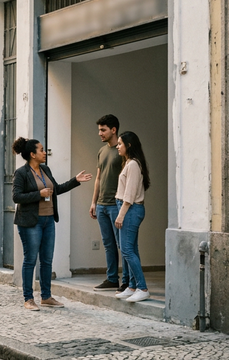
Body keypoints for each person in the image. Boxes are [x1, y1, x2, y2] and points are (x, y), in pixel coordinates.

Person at [12, 137, 92, 311]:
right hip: (30, 222)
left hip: (48, 220)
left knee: (47, 260)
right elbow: (16, 197)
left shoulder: (45, 169)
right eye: (41, 150)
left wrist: (75, 180)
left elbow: (56, 189)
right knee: (30, 260)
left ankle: (46, 297)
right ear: (32, 154)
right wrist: (38, 194)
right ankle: (28, 299)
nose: (44, 152)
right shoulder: (21, 173)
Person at [88, 114, 128, 293]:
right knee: (108, 244)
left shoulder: (122, 152)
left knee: (123, 244)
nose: (99, 133)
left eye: (103, 130)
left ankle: (126, 280)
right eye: (99, 130)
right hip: (102, 205)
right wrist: (93, 202)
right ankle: (112, 279)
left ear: (113, 130)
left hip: (116, 204)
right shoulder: (101, 151)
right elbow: (98, 178)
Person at [113, 131, 151, 303]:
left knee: (127, 249)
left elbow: (130, 194)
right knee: (131, 248)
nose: (117, 146)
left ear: (128, 145)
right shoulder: (129, 163)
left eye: (120, 143)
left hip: (130, 208)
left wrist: (121, 215)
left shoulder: (133, 165)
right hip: (128, 208)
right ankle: (132, 286)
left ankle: (142, 288)